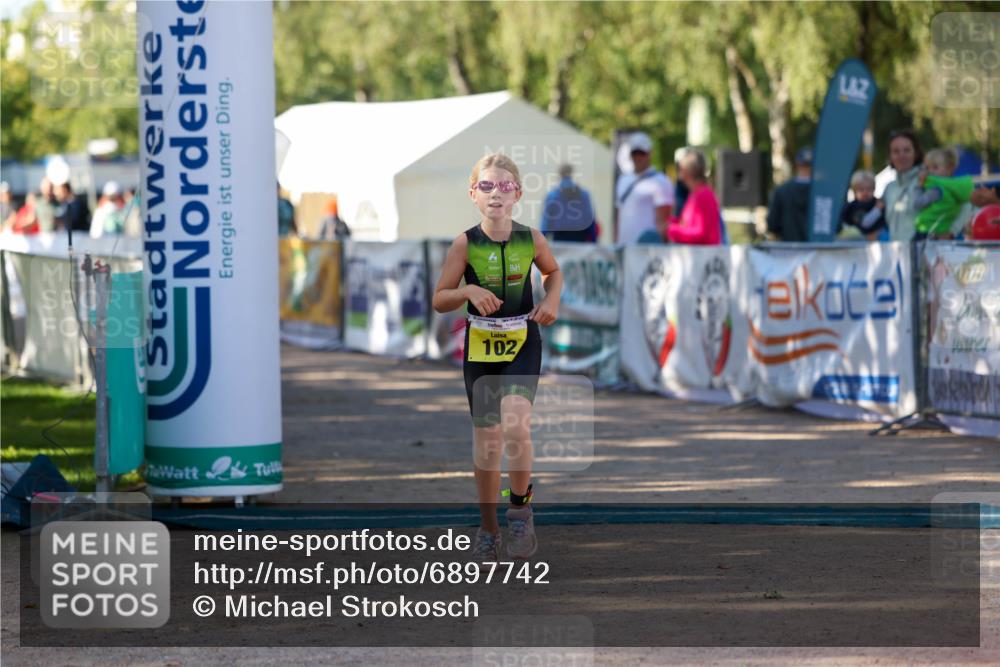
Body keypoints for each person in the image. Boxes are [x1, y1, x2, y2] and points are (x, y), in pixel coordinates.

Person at [432, 153, 562, 565]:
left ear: (517, 194)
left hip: (523, 340)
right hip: (481, 348)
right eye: (486, 186)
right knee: (488, 442)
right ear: (473, 194)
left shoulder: (532, 238)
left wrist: (552, 297)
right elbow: (439, 299)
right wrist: (467, 292)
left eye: (504, 186)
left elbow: (553, 273)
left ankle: (520, 509)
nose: (495, 194)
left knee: (516, 424)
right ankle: (488, 528)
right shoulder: (464, 244)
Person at [615, 132, 674, 245]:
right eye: (634, 153)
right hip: (624, 248)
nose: (638, 157)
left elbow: (664, 222)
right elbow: (619, 216)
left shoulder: (661, 182)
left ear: (649, 153)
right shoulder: (623, 180)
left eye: (641, 153)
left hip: (648, 251)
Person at [913, 148, 976, 240]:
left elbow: (917, 203)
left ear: (949, 168)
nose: (930, 171)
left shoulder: (936, 190)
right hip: (943, 232)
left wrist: (919, 186)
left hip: (926, 231)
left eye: (935, 167)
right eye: (927, 167)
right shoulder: (955, 190)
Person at [667, 149, 721, 245]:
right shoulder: (695, 194)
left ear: (686, 171)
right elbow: (687, 225)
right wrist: (669, 222)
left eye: (680, 169)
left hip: (703, 256)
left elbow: (702, 233)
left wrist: (671, 230)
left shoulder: (703, 194)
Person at [882, 130, 924, 242]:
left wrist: (952, 231)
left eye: (907, 150)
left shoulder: (928, 180)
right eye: (896, 151)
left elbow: (965, 204)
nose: (902, 155)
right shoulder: (889, 188)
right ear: (890, 156)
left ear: (916, 153)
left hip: (923, 254)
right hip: (896, 255)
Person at [540, 164, 597, 243]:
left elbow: (546, 222)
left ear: (560, 174)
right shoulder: (584, 194)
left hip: (559, 239)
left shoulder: (552, 195)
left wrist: (541, 242)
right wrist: (594, 240)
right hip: (580, 239)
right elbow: (590, 219)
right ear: (571, 173)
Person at [766, 146, 812, 242]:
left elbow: (772, 224)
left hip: (789, 250)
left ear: (797, 164)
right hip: (820, 251)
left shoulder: (781, 191)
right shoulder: (823, 195)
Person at [840, 170, 887, 241]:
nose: (865, 192)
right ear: (855, 191)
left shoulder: (877, 202)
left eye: (869, 189)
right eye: (861, 190)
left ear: (874, 189)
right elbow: (865, 223)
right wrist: (877, 209)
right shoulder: (853, 207)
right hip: (859, 241)